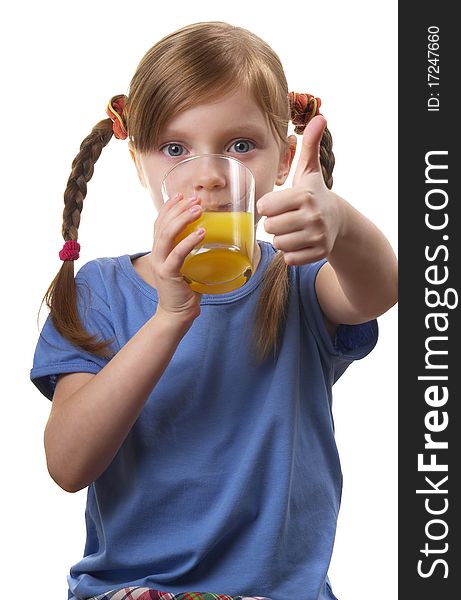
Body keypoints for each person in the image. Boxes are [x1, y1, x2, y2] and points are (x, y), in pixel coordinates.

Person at [30, 21, 398, 600]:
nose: (207, 176)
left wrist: (343, 225)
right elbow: (68, 464)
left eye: (240, 146)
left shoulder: (297, 276)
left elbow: (378, 291)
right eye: (175, 149)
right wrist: (170, 316)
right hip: (135, 590)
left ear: (281, 159)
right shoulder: (99, 290)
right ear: (139, 163)